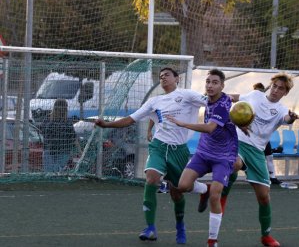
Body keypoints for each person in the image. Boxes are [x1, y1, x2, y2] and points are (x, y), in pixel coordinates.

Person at [95, 67, 207, 244]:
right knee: (152, 179)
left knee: (178, 192)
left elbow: (212, 102)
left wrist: (229, 103)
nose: (163, 78)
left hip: (179, 151)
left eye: (167, 75)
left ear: (177, 78)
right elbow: (131, 119)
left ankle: (181, 224)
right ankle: (150, 228)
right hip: (159, 147)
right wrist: (107, 125)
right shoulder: (154, 101)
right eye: (161, 76)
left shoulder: (188, 95)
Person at [224, 73, 299, 247]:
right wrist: (224, 96)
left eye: (281, 88)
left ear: (285, 93)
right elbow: (236, 98)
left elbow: (286, 119)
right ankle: (223, 189)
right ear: (270, 86)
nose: (276, 90)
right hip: (240, 142)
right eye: (274, 86)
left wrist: (292, 117)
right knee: (234, 164)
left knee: (264, 197)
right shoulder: (255, 96)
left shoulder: (281, 109)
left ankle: (266, 236)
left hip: (257, 152)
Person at [167, 69, 238, 247]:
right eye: (208, 82)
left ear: (222, 85)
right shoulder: (209, 99)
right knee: (182, 186)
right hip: (204, 152)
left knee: (216, 195)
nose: (210, 85)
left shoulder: (222, 105)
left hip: (223, 156)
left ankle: (212, 240)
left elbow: (210, 128)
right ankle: (203, 189)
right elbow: (235, 97)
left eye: (215, 82)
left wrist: (182, 123)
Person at [40, 99, 82, 172]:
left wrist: (80, 152)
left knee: (54, 172)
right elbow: (42, 132)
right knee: (52, 172)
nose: (60, 111)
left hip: (61, 151)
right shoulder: (48, 119)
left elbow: (73, 137)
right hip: (51, 150)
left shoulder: (66, 122)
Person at [253, 83, 282, 185]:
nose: (260, 93)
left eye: (261, 91)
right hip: (251, 139)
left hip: (264, 139)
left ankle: (272, 177)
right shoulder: (253, 101)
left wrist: (271, 84)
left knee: (269, 156)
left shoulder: (267, 102)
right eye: (258, 91)